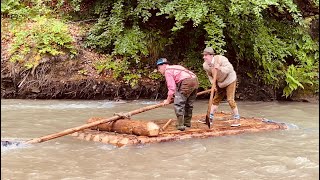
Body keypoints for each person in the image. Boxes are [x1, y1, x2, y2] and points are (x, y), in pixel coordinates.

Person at [199, 47, 241, 127]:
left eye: (206, 55)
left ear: (211, 56)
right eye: (203, 55)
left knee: (230, 99)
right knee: (215, 100)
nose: (204, 57)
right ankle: (209, 118)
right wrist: (213, 85)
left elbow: (230, 69)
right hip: (220, 83)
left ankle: (237, 118)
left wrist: (220, 68)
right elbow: (210, 75)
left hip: (230, 80)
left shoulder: (221, 59)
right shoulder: (205, 65)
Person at [156, 58, 199, 131]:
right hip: (195, 80)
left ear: (163, 65)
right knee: (189, 104)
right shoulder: (176, 67)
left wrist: (168, 100)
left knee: (178, 104)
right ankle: (187, 123)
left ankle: (180, 125)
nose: (159, 70)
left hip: (186, 82)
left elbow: (172, 88)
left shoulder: (167, 71)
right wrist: (173, 97)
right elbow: (177, 88)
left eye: (159, 68)